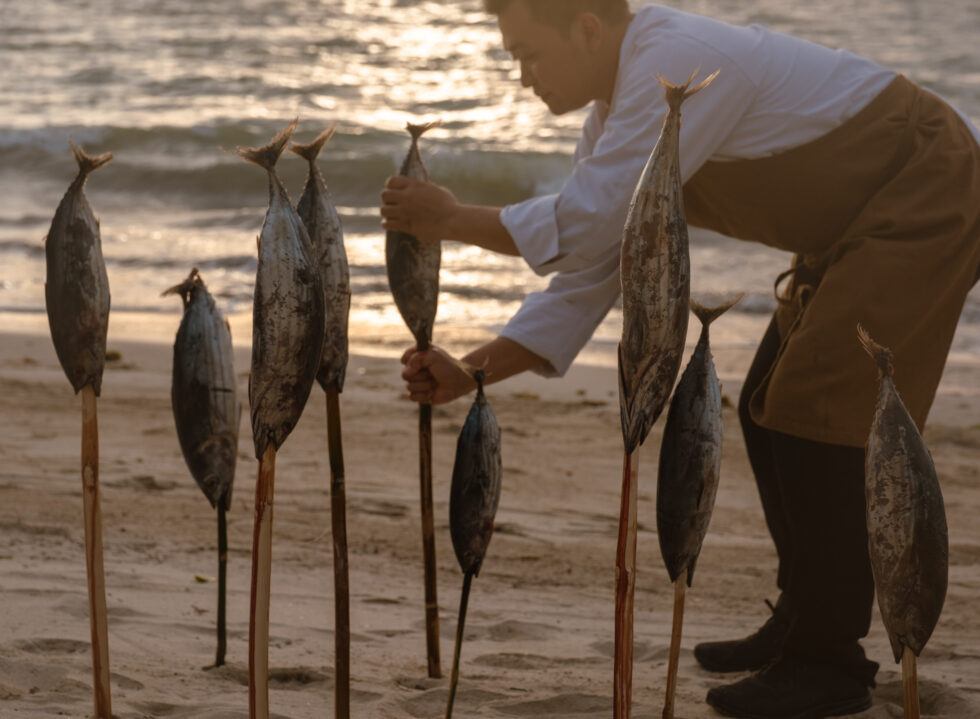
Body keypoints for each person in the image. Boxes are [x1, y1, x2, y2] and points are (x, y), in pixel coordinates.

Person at [379, 1, 980, 717]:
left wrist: (452, 220)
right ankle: (803, 617)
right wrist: (473, 372)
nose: (522, 76)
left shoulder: (675, 62)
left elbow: (587, 223)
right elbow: (599, 260)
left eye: (528, 53)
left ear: (588, 29)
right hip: (853, 221)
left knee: (813, 412)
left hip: (926, 184)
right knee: (765, 407)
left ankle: (829, 660)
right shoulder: (619, 111)